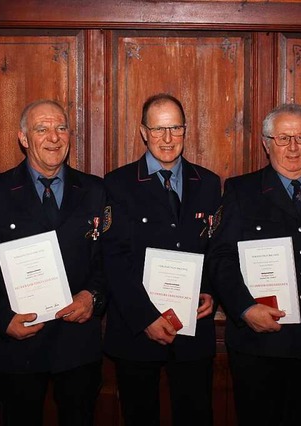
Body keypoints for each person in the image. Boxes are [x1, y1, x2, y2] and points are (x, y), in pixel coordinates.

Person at [206, 103, 301, 426]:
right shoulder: (241, 190)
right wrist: (245, 308)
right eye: (282, 138)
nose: (293, 147)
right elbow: (220, 259)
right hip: (258, 344)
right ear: (266, 143)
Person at [0, 99, 106, 426]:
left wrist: (93, 297)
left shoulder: (94, 190)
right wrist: (3, 319)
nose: (54, 137)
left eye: (61, 128)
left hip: (77, 346)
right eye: (41, 129)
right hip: (18, 344)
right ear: (23, 138)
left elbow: (108, 258)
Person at [102, 93, 221, 426]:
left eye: (176, 128)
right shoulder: (118, 183)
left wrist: (210, 290)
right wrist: (146, 318)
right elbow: (113, 259)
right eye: (158, 129)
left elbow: (216, 250)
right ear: (143, 132)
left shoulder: (209, 183)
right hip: (136, 334)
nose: (168, 139)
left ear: (185, 130)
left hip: (193, 331)